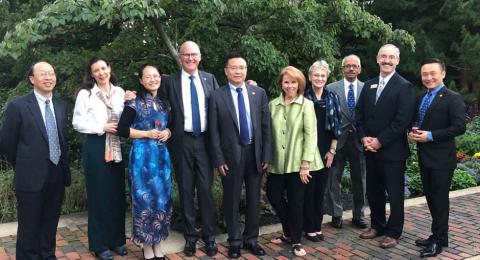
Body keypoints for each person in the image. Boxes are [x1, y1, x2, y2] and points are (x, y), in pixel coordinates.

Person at [0, 61, 71, 259]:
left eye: (51, 73)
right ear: (32, 79)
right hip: (29, 176)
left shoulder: (61, 105)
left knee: (50, 222)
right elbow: (6, 142)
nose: (48, 77)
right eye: (43, 74)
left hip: (57, 172)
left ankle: (47, 255)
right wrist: (24, 164)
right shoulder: (18, 105)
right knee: (29, 225)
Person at [208, 52, 272, 258]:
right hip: (229, 158)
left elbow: (265, 127)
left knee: (254, 200)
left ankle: (251, 239)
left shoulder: (258, 93)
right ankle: (234, 241)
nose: (238, 71)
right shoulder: (217, 96)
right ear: (226, 71)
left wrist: (266, 154)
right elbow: (214, 131)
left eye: (242, 67)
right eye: (234, 68)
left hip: (255, 154)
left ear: (246, 70)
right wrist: (218, 159)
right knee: (231, 200)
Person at [356, 44, 415, 248]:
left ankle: (394, 232)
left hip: (392, 152)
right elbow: (359, 114)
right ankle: (378, 225)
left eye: (391, 57)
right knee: (373, 190)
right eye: (384, 56)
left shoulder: (405, 86)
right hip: (370, 150)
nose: (387, 60)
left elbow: (402, 121)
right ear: (377, 59)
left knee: (395, 193)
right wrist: (364, 138)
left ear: (397, 60)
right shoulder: (369, 85)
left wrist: (379, 141)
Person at [164, 41, 218, 256]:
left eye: (193, 54)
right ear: (180, 57)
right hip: (181, 141)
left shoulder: (210, 79)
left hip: (205, 142)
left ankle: (210, 237)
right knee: (186, 191)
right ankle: (190, 238)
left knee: (206, 191)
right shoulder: (171, 82)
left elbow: (221, 103)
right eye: (186, 55)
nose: (190, 58)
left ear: (200, 56)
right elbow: (157, 102)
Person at [408, 58, 466, 257]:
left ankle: (438, 241)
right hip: (425, 157)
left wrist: (430, 136)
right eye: (425, 74)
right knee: (432, 199)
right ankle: (438, 236)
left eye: (433, 73)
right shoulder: (421, 97)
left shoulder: (452, 97)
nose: (428, 77)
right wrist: (413, 133)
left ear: (442, 74)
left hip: (442, 159)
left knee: (440, 201)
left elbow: (460, 127)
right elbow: (418, 121)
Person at [72, 57, 127, 260]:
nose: (101, 73)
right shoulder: (86, 95)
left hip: (116, 145)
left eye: (104, 68)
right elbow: (77, 122)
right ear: (92, 74)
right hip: (96, 145)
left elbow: (125, 117)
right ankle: (99, 244)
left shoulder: (120, 92)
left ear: (109, 69)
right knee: (98, 196)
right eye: (96, 70)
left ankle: (117, 240)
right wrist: (101, 127)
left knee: (116, 194)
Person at [118, 65, 173, 260]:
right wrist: (146, 134)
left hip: (161, 158)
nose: (152, 79)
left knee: (162, 200)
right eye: (147, 77)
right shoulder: (134, 102)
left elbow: (169, 126)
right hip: (142, 158)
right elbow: (122, 129)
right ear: (140, 80)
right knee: (143, 200)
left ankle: (158, 243)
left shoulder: (164, 102)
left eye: (156, 76)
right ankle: (146, 246)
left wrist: (168, 132)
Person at [267, 66, 323, 257]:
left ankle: (296, 241)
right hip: (277, 162)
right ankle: (289, 230)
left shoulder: (307, 105)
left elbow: (311, 135)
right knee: (273, 194)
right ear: (281, 84)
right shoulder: (272, 104)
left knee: (296, 202)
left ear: (299, 84)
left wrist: (305, 164)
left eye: (294, 82)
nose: (290, 86)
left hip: (300, 162)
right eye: (286, 82)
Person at [325, 54, 367, 229]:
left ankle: (359, 215)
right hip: (337, 140)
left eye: (354, 66)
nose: (351, 68)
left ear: (359, 69)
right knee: (333, 179)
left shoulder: (367, 88)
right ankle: (336, 214)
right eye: (347, 66)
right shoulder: (330, 88)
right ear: (342, 69)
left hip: (359, 140)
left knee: (360, 180)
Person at [303, 60, 341, 242]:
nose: (319, 78)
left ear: (327, 78)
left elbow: (337, 128)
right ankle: (308, 227)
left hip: (326, 150)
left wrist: (332, 151)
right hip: (306, 151)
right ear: (310, 77)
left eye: (323, 75)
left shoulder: (332, 97)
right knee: (308, 190)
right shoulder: (303, 97)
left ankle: (316, 226)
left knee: (320, 190)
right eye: (316, 75)